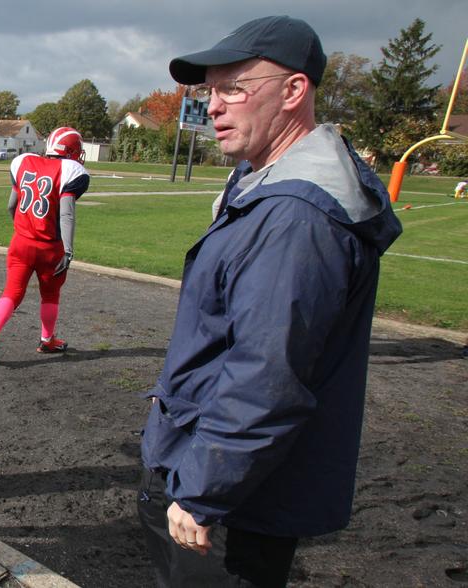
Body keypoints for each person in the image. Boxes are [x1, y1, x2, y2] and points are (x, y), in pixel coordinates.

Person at [136, 16, 403, 587]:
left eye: (234, 87)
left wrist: (204, 489)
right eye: (209, 90)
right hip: (225, 468)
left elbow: (267, 373)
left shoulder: (295, 219)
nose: (213, 106)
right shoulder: (260, 178)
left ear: (293, 90)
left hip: (236, 493)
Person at [0, 127, 90, 363]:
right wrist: (69, 251)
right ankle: (46, 339)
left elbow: (11, 206)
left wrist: (22, 230)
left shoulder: (24, 162)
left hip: (21, 243)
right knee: (50, 295)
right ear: (71, 151)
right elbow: (66, 215)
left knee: (11, 292)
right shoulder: (70, 171)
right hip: (50, 248)